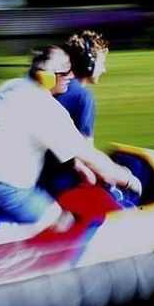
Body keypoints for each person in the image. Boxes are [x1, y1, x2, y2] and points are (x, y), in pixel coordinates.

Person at [0, 45, 142, 237]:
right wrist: (127, 179)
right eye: (65, 71)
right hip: (8, 190)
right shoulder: (45, 108)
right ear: (48, 77)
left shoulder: (9, 86)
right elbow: (89, 155)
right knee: (62, 224)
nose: (71, 75)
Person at [40, 30, 110, 193]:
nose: (104, 69)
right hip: (57, 181)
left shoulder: (52, 88)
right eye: (102, 63)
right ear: (89, 63)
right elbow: (87, 155)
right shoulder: (83, 97)